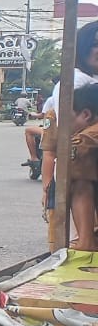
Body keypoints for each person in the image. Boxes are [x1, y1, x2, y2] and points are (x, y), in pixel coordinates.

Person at [40, 22, 98, 248]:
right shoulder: (75, 80)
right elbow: (62, 132)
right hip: (81, 167)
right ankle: (84, 242)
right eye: (95, 45)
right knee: (81, 183)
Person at [66, 84, 98, 252]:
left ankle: (86, 242)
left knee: (79, 183)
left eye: (68, 117)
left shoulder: (85, 139)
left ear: (86, 114)